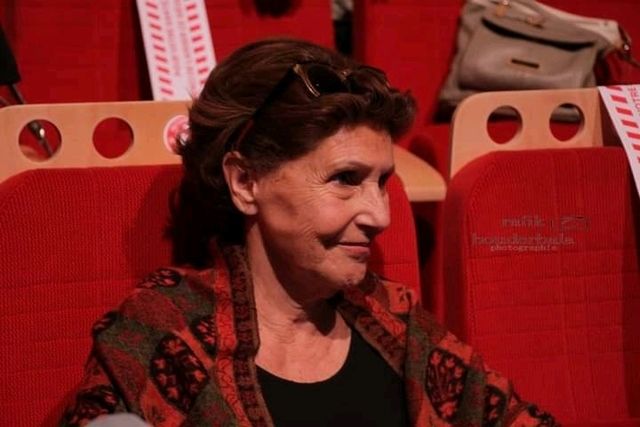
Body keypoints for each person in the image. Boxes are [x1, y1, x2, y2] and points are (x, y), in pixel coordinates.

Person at [60, 38, 557, 427]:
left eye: (382, 182)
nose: (380, 215)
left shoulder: (396, 323)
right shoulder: (166, 331)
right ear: (246, 182)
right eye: (345, 179)